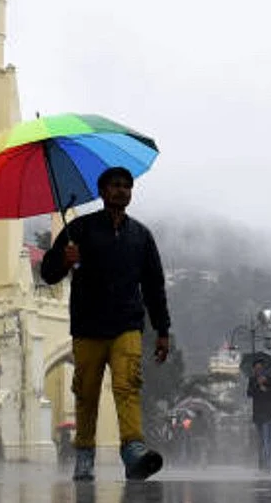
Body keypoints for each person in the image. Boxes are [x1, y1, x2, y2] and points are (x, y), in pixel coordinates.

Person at [40, 166, 173, 482]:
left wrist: (163, 330)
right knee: (85, 393)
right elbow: (48, 272)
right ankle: (85, 454)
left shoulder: (141, 236)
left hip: (126, 324)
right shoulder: (80, 230)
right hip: (88, 325)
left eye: (127, 186)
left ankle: (133, 450)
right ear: (102, 192)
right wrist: (64, 260)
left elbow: (154, 286)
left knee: (128, 385)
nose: (121, 190)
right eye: (115, 185)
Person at [247, 361, 271, 474]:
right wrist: (257, 385)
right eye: (256, 368)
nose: (258, 370)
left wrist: (266, 385)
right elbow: (249, 393)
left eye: (260, 368)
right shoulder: (252, 380)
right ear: (254, 370)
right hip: (258, 414)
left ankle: (267, 466)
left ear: (263, 369)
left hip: (270, 413)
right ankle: (263, 465)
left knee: (268, 440)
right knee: (262, 441)